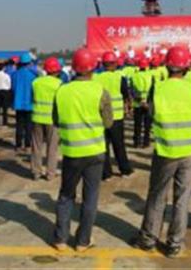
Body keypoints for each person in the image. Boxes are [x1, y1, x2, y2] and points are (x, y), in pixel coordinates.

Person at [132, 46, 191, 258]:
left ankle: (148, 239)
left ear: (167, 65)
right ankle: (174, 244)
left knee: (157, 195)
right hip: (189, 150)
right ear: (186, 67)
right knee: (182, 199)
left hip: (166, 149)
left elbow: (151, 113)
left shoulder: (159, 88)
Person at [52, 48, 113, 251]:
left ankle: (60, 239)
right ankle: (83, 241)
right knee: (90, 197)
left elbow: (56, 120)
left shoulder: (62, 90)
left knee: (66, 196)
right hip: (95, 152)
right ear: (93, 67)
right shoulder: (100, 91)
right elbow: (108, 123)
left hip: (72, 152)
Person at [93, 52, 134, 180]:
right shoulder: (120, 77)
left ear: (103, 64)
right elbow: (126, 94)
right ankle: (124, 170)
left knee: (104, 145)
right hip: (116, 117)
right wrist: (129, 106)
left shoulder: (96, 78)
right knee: (119, 145)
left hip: (101, 117)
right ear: (115, 63)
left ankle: (106, 173)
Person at [30, 57, 62, 181]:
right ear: (57, 70)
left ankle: (36, 172)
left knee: (36, 146)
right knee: (52, 147)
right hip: (52, 119)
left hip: (37, 117)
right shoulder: (59, 84)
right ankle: (50, 173)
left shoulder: (36, 82)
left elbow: (32, 98)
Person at [12, 53, 37, 153]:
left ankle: (18, 145)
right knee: (28, 126)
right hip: (29, 104)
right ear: (29, 63)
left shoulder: (15, 75)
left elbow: (13, 89)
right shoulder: (33, 75)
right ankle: (27, 145)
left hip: (18, 103)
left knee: (19, 125)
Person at [131, 58, 153, 148]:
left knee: (137, 124)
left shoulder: (134, 76)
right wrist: (147, 101)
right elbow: (152, 90)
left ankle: (136, 142)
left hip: (137, 103)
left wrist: (139, 99)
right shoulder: (150, 76)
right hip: (148, 104)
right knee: (147, 125)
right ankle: (146, 142)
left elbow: (132, 89)